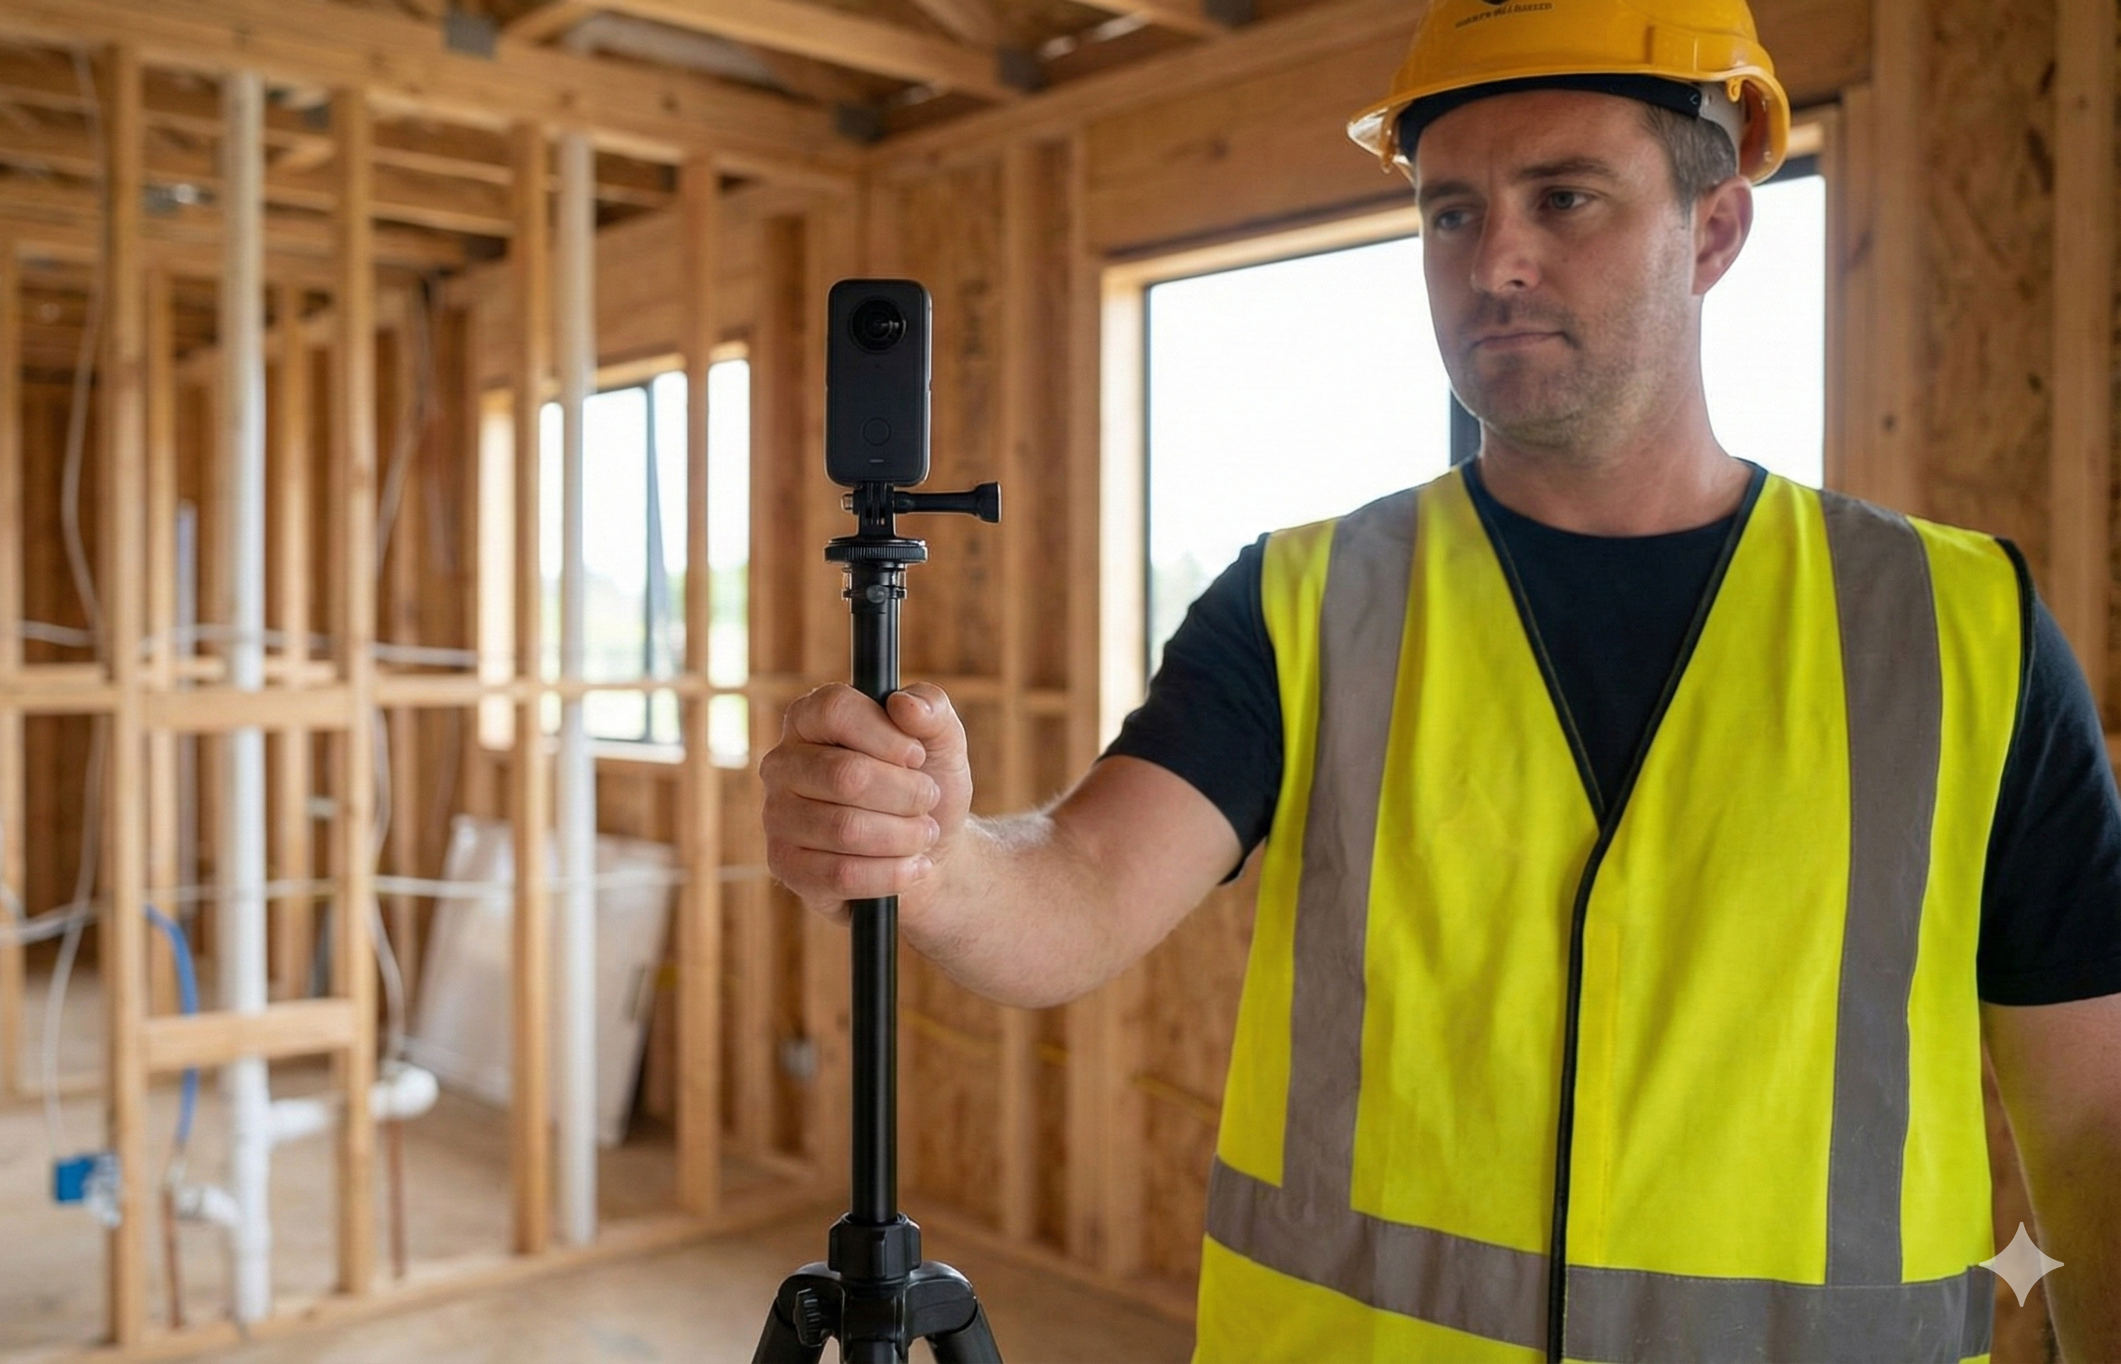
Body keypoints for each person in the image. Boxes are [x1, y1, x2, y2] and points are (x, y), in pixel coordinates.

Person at [760, 1, 2121, 1359]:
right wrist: (936, 858)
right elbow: (1077, 891)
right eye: (1452, 214)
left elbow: (2094, 1131)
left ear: (1712, 233)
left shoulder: (1960, 633)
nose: (1498, 263)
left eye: (1567, 198)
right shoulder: (1305, 603)